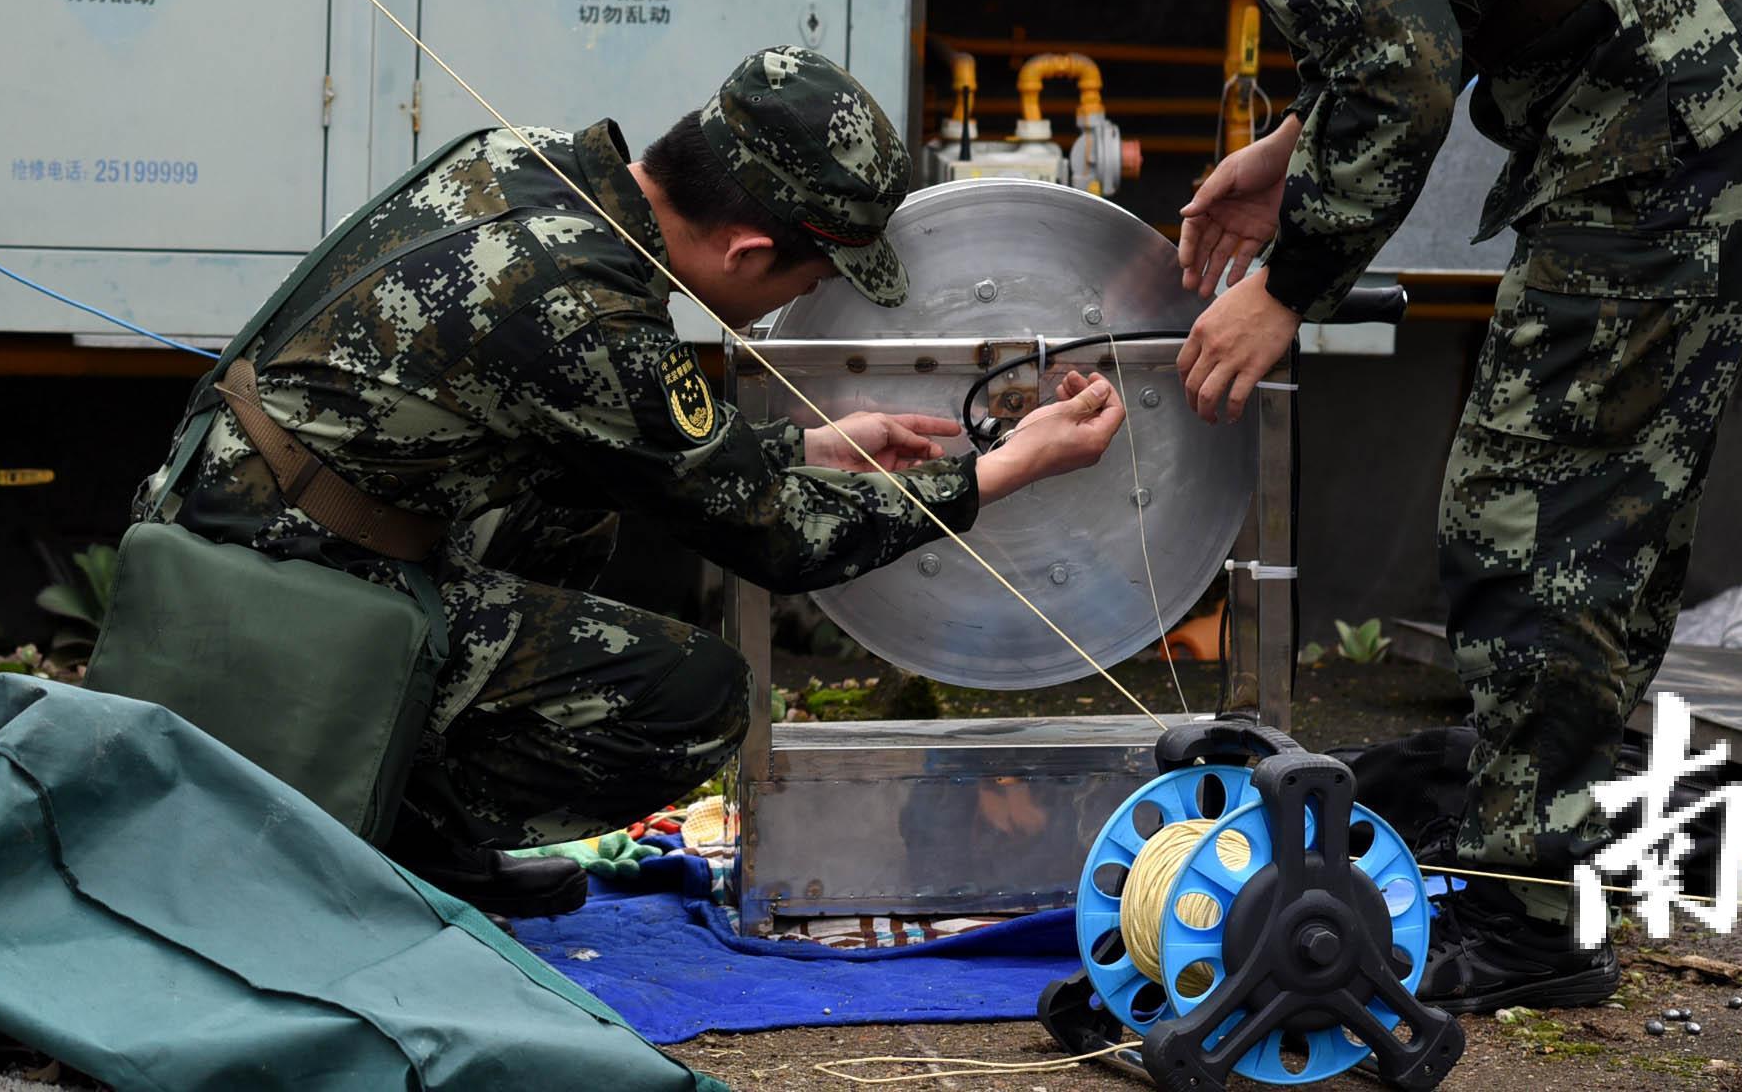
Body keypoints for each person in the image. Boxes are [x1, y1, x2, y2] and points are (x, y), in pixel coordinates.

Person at [921, 0, 1742, 1013]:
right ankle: (1546, 820)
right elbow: (1422, 7)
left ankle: (1537, 929)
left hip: (1673, 109)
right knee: (1581, 506)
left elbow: (1402, 76)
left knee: (1541, 513)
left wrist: (1288, 290)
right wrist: (1284, 161)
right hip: (1667, 90)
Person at [132, 45, 1128, 914]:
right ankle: (371, 833)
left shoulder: (533, 164)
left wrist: (804, 446)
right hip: (277, 596)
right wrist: (1001, 468)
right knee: (692, 697)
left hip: (247, 511)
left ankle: (416, 823)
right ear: (747, 247)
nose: (805, 298)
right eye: (812, 278)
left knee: (577, 498)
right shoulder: (591, 311)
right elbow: (774, 536)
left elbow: (633, 436)